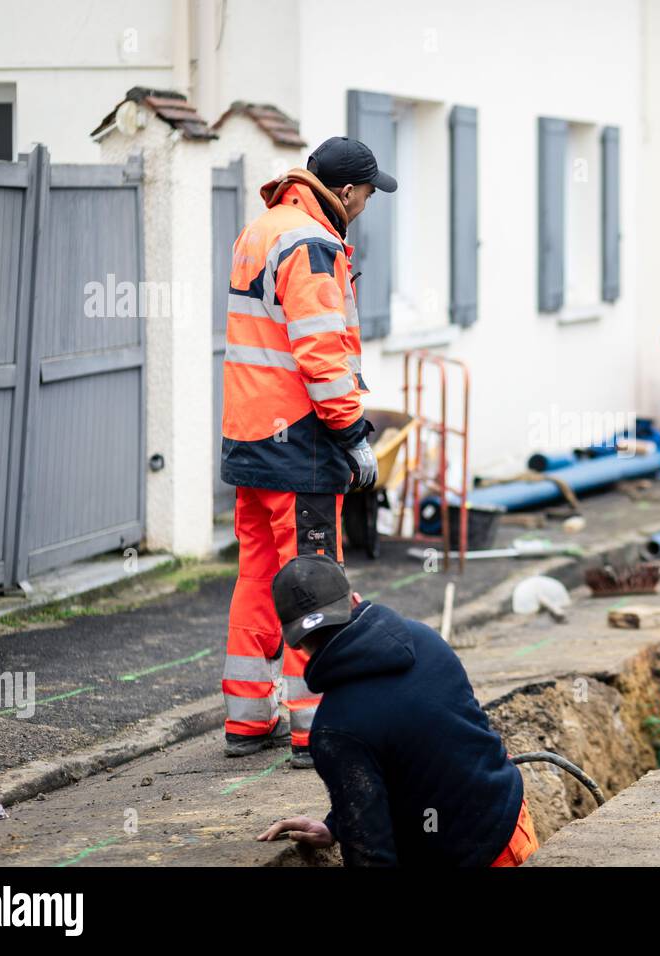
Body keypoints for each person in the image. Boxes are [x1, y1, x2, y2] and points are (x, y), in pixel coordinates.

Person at [220, 138, 396, 768]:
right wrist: (352, 433)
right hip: (300, 444)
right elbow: (319, 352)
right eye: (370, 195)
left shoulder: (261, 230)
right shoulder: (314, 245)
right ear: (346, 192)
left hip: (250, 436)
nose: (368, 207)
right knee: (314, 581)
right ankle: (312, 728)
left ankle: (245, 718)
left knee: (257, 575)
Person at [257, 555, 539, 867]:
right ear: (354, 600)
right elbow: (418, 755)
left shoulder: (335, 728)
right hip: (513, 829)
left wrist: (351, 827)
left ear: (292, 642)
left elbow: (371, 855)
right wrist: (339, 824)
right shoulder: (425, 638)